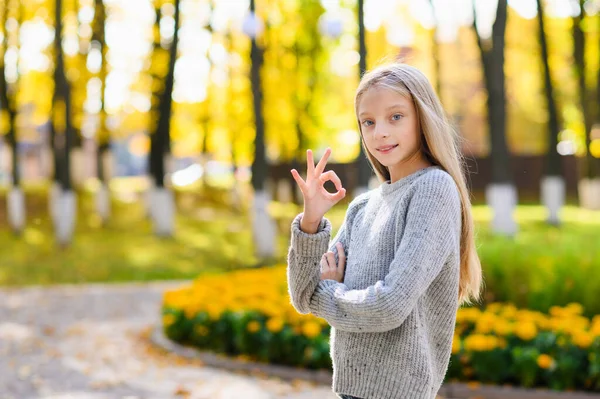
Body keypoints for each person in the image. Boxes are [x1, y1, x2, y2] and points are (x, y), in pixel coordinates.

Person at [286, 62, 482, 399]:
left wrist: (331, 292)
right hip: (349, 391)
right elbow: (303, 295)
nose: (380, 133)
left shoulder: (433, 189)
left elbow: (390, 305)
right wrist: (311, 221)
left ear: (422, 117)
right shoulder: (363, 208)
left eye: (396, 117)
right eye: (368, 122)